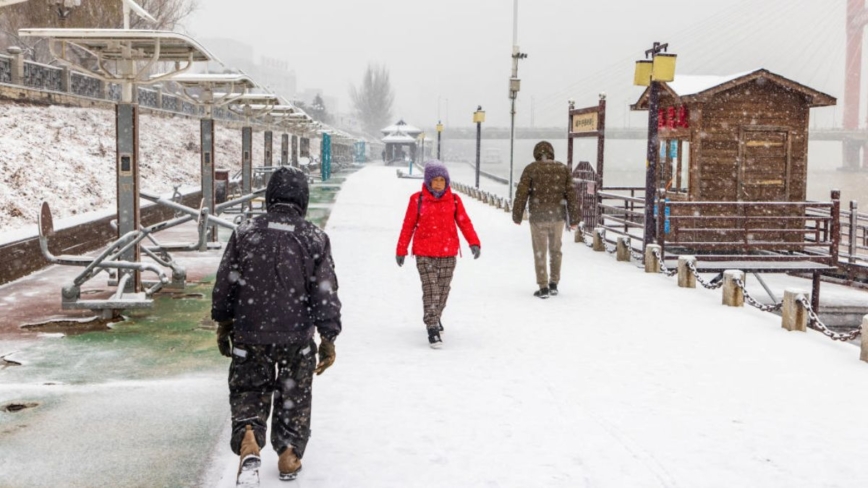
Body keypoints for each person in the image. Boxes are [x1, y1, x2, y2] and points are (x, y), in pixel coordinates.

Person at [211, 166, 342, 484]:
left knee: (248, 389)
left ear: (270, 196)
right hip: (296, 335)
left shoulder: (245, 231)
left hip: (249, 331)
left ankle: (249, 439)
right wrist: (328, 337)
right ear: (303, 198)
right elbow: (324, 290)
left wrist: (224, 322)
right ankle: (288, 455)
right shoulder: (314, 237)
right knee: (293, 394)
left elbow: (227, 281)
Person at [396, 160, 481, 348]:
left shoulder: (455, 200)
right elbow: (408, 226)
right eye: (435, 180)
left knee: (443, 290)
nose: (438, 183)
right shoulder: (417, 200)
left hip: (448, 253)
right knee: (431, 290)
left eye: (442, 180)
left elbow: (464, 222)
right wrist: (401, 249)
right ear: (428, 181)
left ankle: (436, 315)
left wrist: (473, 242)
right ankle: (432, 326)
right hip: (424, 253)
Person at [512, 141, 580, 299]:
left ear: (536, 154)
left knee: (540, 251)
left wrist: (517, 215)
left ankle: (543, 287)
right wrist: (574, 218)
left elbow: (521, 193)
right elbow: (571, 194)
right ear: (551, 153)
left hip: (538, 218)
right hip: (557, 217)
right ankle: (554, 284)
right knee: (556, 250)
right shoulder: (563, 169)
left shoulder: (531, 169)